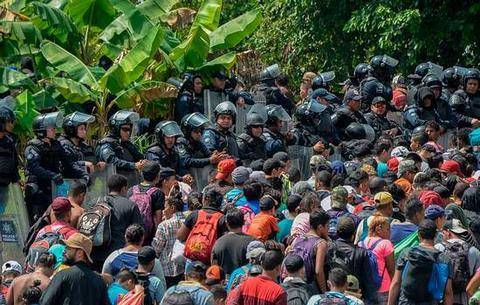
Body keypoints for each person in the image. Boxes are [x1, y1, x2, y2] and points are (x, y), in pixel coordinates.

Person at [25, 111, 84, 222]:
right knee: (38, 220)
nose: (54, 130)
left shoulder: (56, 144)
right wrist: (52, 175)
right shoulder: (33, 146)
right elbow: (34, 167)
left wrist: (82, 174)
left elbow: (68, 163)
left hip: (53, 188)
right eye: (51, 128)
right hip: (39, 190)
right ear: (42, 131)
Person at [388, 220, 454, 305]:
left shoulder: (406, 253)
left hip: (406, 301)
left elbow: (396, 283)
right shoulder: (443, 258)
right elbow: (448, 292)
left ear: (419, 234)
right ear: (436, 235)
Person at [90, 175, 144, 271]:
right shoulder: (130, 205)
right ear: (124, 188)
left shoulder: (95, 203)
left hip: (94, 253)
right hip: (118, 257)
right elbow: (138, 230)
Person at [40, 233, 109, 305]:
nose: (64, 251)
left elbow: (45, 302)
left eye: (68, 248)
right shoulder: (99, 282)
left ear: (79, 253)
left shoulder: (62, 275)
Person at [326, 217, 378, 304]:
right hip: (355, 296)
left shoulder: (329, 248)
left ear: (337, 232)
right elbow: (369, 281)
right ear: (354, 234)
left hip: (332, 295)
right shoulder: (362, 253)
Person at [177, 186, 228, 264]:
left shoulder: (194, 215)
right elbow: (224, 244)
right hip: (211, 262)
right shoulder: (222, 219)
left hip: (192, 260)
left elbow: (180, 236)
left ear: (205, 199)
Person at [435, 219, 480, 305]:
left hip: (443, 298)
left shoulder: (438, 248)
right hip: (465, 299)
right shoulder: (474, 251)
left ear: (447, 232)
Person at [95, 110, 146, 181]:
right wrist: (134, 165)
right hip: (113, 187)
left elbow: (139, 156)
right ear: (115, 129)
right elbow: (112, 161)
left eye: (129, 130)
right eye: (125, 129)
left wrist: (143, 162)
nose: (128, 133)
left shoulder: (127, 144)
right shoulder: (106, 144)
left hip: (130, 184)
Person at [178, 112, 227, 183]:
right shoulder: (181, 142)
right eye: (196, 131)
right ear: (187, 131)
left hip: (200, 179)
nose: (199, 134)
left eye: (201, 130)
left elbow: (208, 154)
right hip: (187, 180)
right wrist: (210, 160)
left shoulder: (198, 142)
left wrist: (218, 156)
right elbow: (186, 161)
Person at [152, 185, 186, 288]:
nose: (163, 210)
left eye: (165, 207)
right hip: (185, 268)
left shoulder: (165, 225)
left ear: (172, 207)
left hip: (167, 270)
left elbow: (156, 248)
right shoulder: (188, 222)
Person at [359, 215, 395, 305]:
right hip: (384, 287)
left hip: (366, 287)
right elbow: (391, 269)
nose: (390, 233)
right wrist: (395, 287)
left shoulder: (361, 243)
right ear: (379, 229)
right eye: (387, 229)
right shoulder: (386, 243)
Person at [127, 161, 164, 244]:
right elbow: (158, 219)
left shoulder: (131, 190)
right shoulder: (157, 192)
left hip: (131, 234)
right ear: (157, 175)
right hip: (148, 236)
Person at [212, 208, 256, 275]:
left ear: (226, 224)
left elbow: (214, 268)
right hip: (245, 282)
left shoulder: (218, 242)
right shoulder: (252, 242)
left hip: (224, 283)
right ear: (244, 222)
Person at [59, 111, 97, 181]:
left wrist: (99, 163)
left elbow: (92, 161)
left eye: (85, 129)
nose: (84, 132)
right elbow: (65, 165)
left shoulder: (84, 146)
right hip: (66, 184)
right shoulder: (62, 145)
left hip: (84, 184)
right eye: (81, 129)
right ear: (71, 130)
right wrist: (83, 163)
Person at [0, 105, 19, 188]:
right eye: (9, 122)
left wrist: (16, 180)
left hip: (6, 188)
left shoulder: (9, 141)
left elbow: (14, 164)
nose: (12, 125)